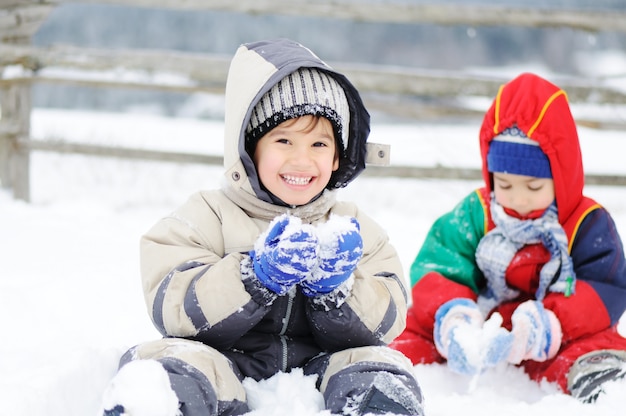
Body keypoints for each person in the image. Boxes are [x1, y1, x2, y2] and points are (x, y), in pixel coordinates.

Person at [100, 38, 425, 416]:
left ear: (338, 156)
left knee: (378, 368)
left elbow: (387, 318)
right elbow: (173, 305)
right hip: (226, 364)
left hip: (322, 371)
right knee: (170, 365)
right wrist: (255, 275)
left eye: (319, 144)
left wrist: (338, 289)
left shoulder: (353, 227)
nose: (302, 160)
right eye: (283, 140)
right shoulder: (208, 213)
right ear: (249, 149)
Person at [390, 72, 626, 403]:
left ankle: (594, 373)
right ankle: (390, 369)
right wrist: (456, 317)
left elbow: (605, 289)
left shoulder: (587, 223)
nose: (517, 198)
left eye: (533, 187)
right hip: (483, 323)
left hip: (550, 332)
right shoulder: (478, 211)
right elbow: (440, 263)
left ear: (562, 177)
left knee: (595, 341)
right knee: (417, 322)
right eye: (503, 184)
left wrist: (552, 323)